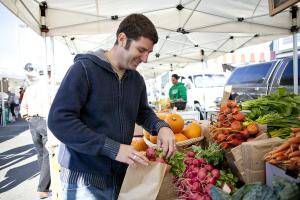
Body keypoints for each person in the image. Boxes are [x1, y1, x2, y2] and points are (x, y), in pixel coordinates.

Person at [47, 13, 175, 200]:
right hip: (84, 180)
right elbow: (59, 120)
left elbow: (142, 111)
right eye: (141, 49)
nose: (146, 59)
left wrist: (160, 126)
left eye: (149, 52)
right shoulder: (83, 70)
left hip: (122, 176)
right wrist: (112, 148)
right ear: (122, 39)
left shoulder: (136, 79)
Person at [20, 63, 51, 199]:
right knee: (48, 154)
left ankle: (43, 184)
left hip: (33, 121)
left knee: (41, 153)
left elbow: (23, 107)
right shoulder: (47, 88)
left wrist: (27, 117)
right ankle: (43, 188)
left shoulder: (30, 88)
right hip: (44, 120)